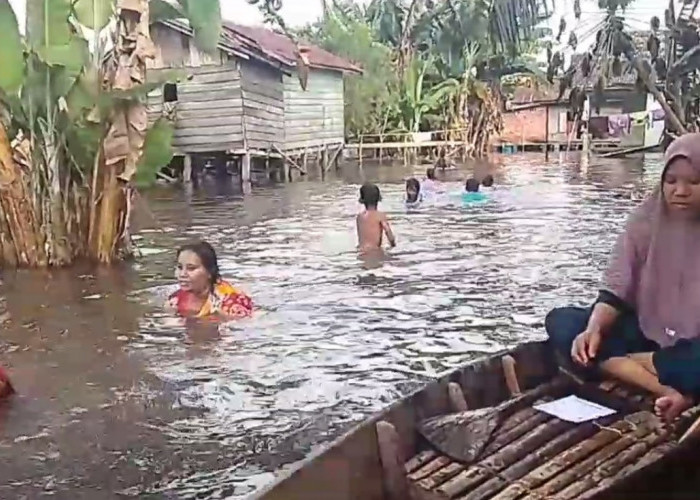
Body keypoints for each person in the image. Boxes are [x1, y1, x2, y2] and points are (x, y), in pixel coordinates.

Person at [545, 133, 700, 422]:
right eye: (671, 181)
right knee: (563, 322)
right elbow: (615, 292)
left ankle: (632, 365)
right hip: (647, 332)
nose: (680, 191)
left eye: (694, 182)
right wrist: (593, 329)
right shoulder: (644, 222)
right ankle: (667, 388)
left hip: (692, 348)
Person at [169, 241, 253, 318]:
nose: (182, 274)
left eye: (191, 268)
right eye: (180, 267)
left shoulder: (231, 303)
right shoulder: (175, 300)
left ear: (209, 272)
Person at [356, 183, 396, 252]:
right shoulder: (380, 216)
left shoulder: (359, 217)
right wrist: (393, 245)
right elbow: (389, 234)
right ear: (378, 198)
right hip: (375, 251)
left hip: (361, 252)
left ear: (362, 199)